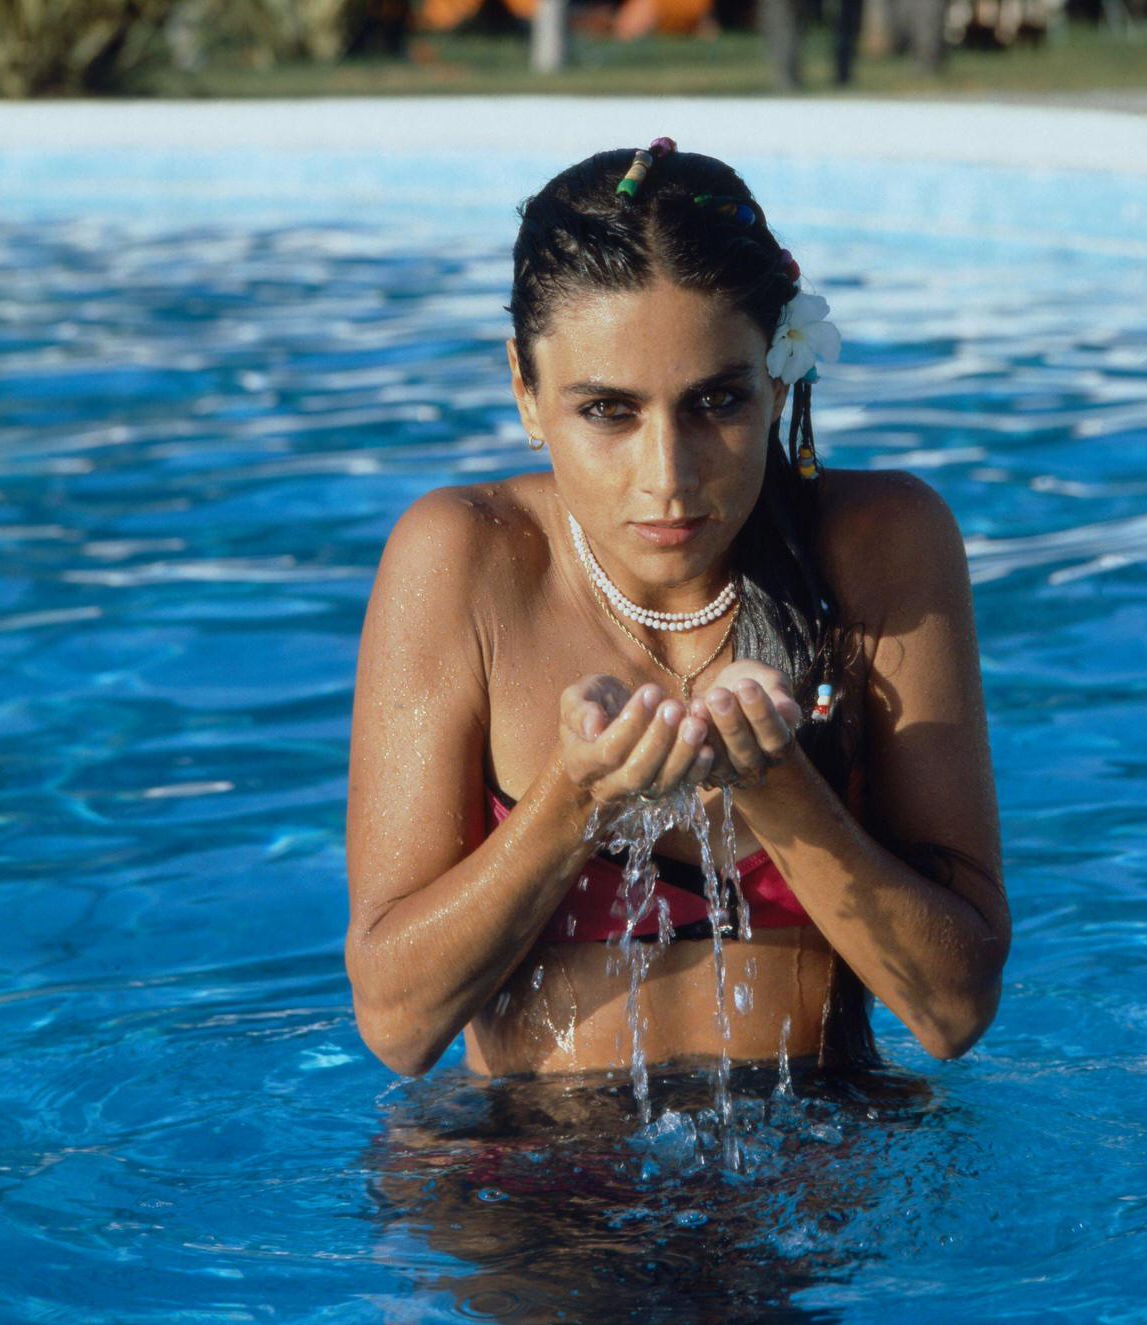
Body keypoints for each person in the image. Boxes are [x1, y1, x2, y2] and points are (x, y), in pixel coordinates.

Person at [344, 138, 1010, 1082]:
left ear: (780, 375)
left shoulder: (881, 550)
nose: (669, 476)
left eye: (717, 402)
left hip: (815, 1165)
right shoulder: (464, 562)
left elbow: (954, 1012)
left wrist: (779, 787)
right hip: (529, 1180)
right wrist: (576, 798)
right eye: (608, 411)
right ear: (526, 393)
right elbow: (397, 1024)